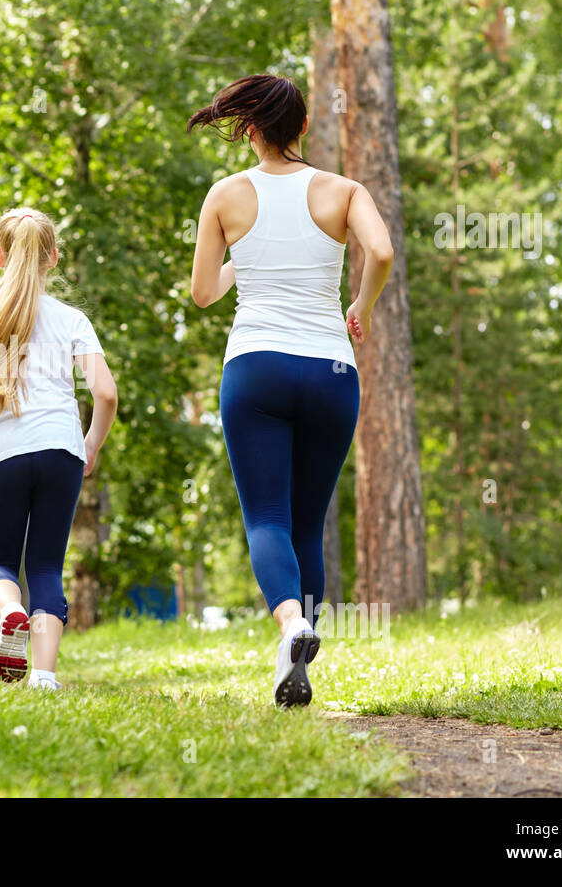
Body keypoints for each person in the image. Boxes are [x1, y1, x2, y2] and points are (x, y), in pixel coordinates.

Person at [187, 74, 395, 707]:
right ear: (304, 127)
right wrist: (360, 303)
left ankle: (290, 627)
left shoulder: (225, 196)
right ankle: (301, 641)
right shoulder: (343, 190)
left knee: (267, 517)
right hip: (331, 372)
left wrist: (246, 258)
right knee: (309, 519)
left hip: (256, 367)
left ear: (249, 130)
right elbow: (381, 250)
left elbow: (202, 293)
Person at [0, 208, 118, 689]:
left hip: (4, 455)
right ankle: (43, 676)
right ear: (54, 259)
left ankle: (11, 612)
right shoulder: (72, 320)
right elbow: (105, 393)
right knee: (45, 564)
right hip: (62, 452)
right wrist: (91, 445)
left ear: (0, 257)